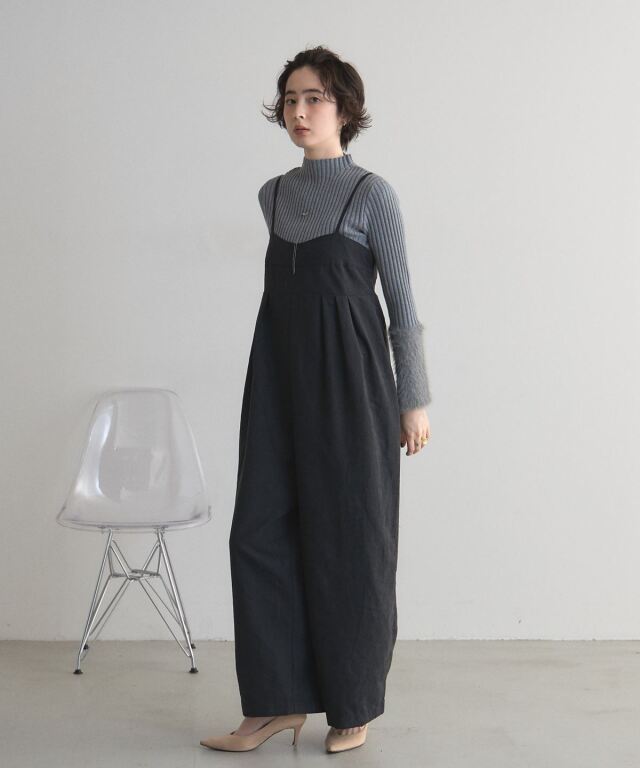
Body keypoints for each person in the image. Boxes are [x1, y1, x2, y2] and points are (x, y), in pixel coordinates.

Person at [200, 45, 432, 755]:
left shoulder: (371, 195)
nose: (299, 112)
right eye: (291, 100)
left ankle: (352, 704)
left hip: (354, 387)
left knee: (351, 536)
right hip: (277, 381)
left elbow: (402, 306)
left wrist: (413, 399)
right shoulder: (272, 195)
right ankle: (276, 702)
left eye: (315, 99)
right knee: (258, 532)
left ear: (345, 109)